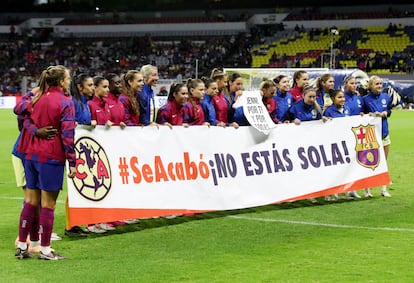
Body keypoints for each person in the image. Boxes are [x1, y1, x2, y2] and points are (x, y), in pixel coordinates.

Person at [15, 65, 76, 260]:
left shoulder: (35, 98)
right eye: (67, 79)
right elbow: (67, 134)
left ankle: (22, 247)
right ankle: (45, 250)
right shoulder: (66, 101)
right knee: (48, 205)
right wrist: (72, 162)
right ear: (60, 81)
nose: (69, 82)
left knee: (31, 202)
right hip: (51, 156)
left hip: (30, 155)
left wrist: (34, 130)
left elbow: (23, 118)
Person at [13, 87, 61, 249]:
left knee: (36, 200)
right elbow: (19, 110)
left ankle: (33, 241)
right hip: (23, 152)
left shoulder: (48, 98)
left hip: (31, 151)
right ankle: (25, 239)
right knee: (32, 199)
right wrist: (36, 130)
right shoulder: (36, 96)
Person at [64, 73, 96, 237]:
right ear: (79, 87)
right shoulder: (74, 103)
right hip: (72, 151)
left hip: (83, 151)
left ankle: (75, 223)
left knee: (77, 188)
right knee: (74, 188)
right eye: (90, 85)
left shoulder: (85, 104)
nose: (93, 87)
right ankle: (70, 226)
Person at [363, 75, 393, 198]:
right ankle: (367, 190)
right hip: (371, 135)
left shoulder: (386, 97)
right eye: (377, 84)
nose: (379, 86)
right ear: (370, 86)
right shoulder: (365, 99)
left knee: (384, 163)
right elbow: (361, 115)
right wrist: (370, 115)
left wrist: (386, 113)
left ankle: (384, 189)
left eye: (380, 84)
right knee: (370, 163)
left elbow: (389, 110)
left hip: (384, 133)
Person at [343, 75, 365, 199]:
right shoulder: (341, 96)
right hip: (344, 134)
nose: (354, 85)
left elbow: (363, 113)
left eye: (355, 83)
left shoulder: (358, 98)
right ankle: (341, 189)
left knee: (356, 162)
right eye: (351, 83)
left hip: (356, 134)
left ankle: (353, 189)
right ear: (346, 84)